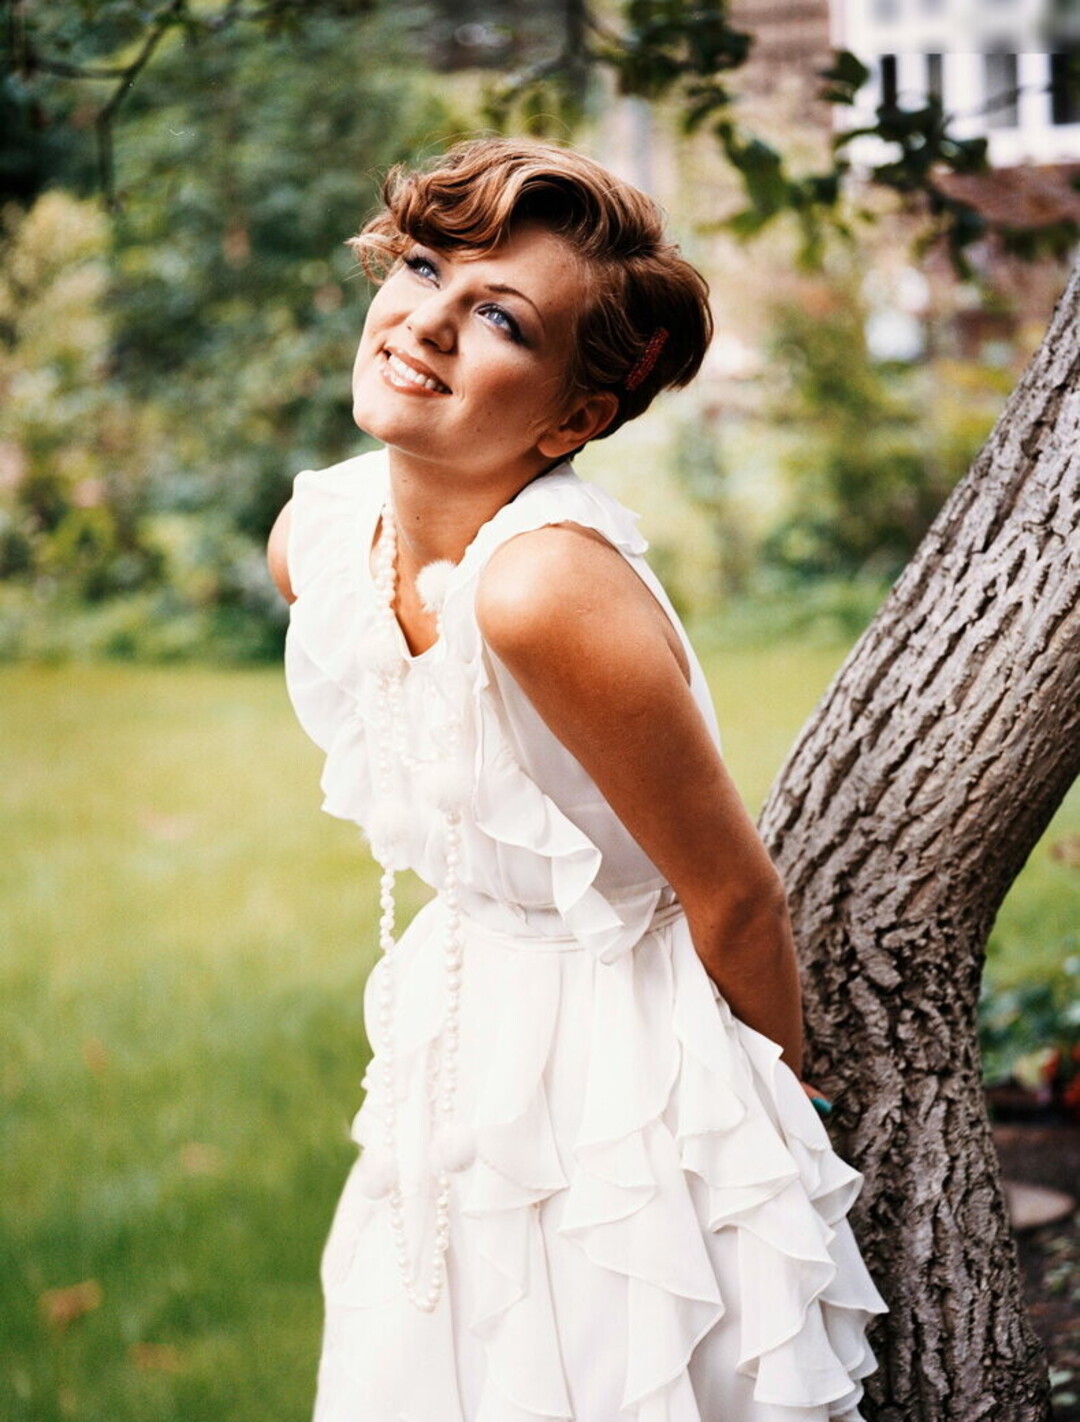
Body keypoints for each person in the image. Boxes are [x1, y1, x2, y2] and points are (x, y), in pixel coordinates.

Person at [268, 136, 887, 1422]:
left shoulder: (544, 588)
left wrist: (774, 1118)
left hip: (625, 1055)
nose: (426, 322)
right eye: (425, 268)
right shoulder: (319, 536)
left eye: (499, 317)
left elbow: (733, 895)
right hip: (461, 1021)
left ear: (574, 418)